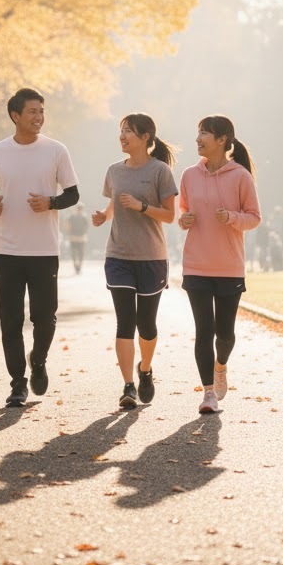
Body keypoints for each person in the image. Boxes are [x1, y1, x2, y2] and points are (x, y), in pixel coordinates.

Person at [0, 88, 79, 407]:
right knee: (10, 320)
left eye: (41, 111)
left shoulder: (56, 150)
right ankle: (17, 384)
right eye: (32, 112)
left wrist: (51, 202)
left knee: (45, 318)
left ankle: (38, 361)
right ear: (15, 116)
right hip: (6, 250)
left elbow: (73, 195)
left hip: (44, 250)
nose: (39, 117)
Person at [92, 113, 177, 409]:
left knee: (147, 324)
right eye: (121, 131)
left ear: (145, 137)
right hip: (118, 255)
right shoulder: (114, 170)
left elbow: (170, 216)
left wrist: (142, 207)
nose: (122, 136)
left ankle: (145, 370)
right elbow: (114, 200)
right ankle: (128, 386)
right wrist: (105, 215)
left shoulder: (160, 171)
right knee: (125, 322)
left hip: (151, 258)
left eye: (128, 131)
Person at [178, 115, 261, 415]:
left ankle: (221, 366)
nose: (198, 139)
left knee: (224, 335)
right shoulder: (189, 174)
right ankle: (208, 392)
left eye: (204, 134)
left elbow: (254, 217)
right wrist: (183, 220)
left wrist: (233, 218)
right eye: (198, 132)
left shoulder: (240, 176)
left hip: (229, 267)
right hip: (196, 265)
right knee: (204, 331)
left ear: (222, 139)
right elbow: (184, 212)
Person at [66, 203, 89, 274]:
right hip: (79, 237)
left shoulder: (72, 216)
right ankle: (78, 267)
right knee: (79, 253)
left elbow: (68, 227)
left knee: (75, 253)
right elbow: (86, 227)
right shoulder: (83, 217)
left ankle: (77, 267)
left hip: (75, 237)